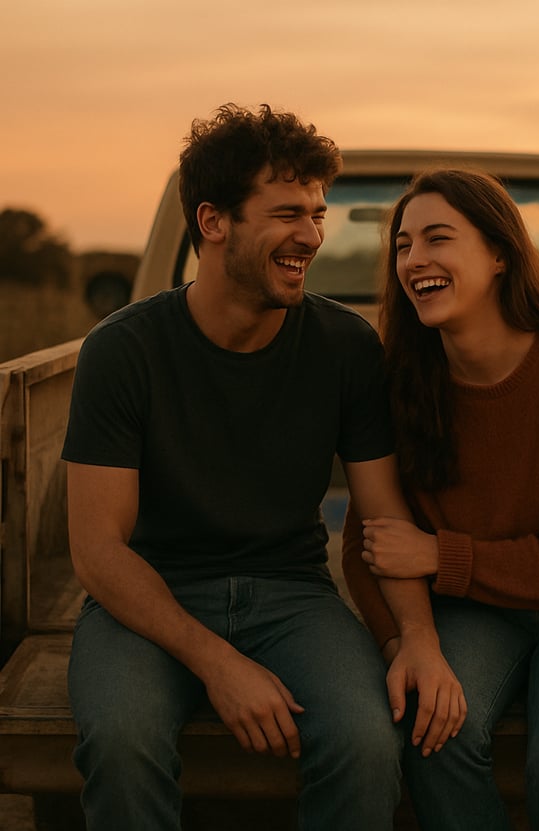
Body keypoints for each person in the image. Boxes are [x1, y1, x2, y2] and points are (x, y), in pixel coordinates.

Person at [62, 104, 463, 831]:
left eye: (317, 212)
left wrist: (419, 639)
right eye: (287, 213)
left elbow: (384, 516)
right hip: (150, 599)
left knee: (368, 742)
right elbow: (97, 551)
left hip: (291, 595)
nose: (311, 234)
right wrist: (219, 663)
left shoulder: (345, 347)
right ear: (213, 222)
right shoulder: (123, 350)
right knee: (122, 742)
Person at [342, 168, 539, 831]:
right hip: (480, 609)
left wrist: (436, 554)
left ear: (498, 255)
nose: (415, 259)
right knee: (433, 735)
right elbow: (365, 546)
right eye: (403, 245)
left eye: (438, 238)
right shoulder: (403, 381)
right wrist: (406, 642)